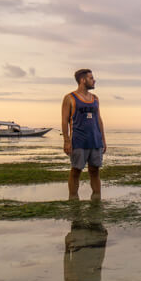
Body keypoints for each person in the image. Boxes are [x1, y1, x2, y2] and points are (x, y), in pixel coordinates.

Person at [62, 68, 107, 199]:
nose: (94, 80)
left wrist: (103, 140)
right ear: (83, 80)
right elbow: (65, 121)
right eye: (91, 78)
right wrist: (66, 141)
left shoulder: (95, 99)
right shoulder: (70, 98)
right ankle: (73, 199)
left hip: (95, 140)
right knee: (76, 171)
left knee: (95, 170)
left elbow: (99, 119)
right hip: (78, 140)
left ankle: (97, 199)